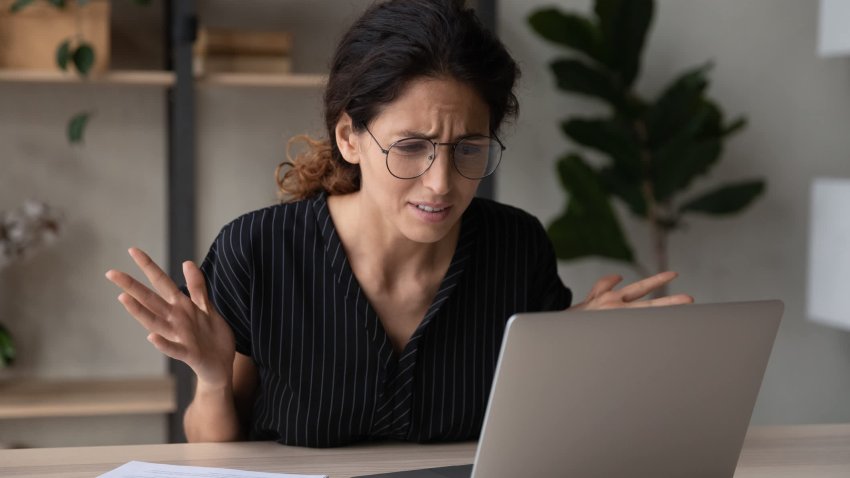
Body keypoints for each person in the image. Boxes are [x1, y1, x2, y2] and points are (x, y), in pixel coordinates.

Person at [105, 0, 693, 448]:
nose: (441, 183)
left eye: (469, 148)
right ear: (349, 138)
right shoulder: (259, 251)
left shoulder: (516, 247)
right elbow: (215, 455)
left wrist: (571, 341)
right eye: (410, 147)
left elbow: (535, 437)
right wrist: (210, 377)